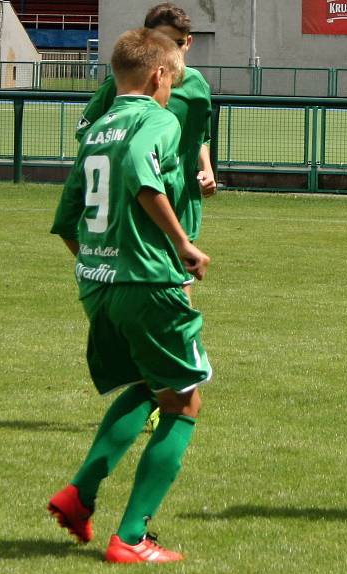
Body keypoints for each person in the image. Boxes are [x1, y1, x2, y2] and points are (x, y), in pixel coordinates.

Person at [48, 27, 212, 563]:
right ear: (160, 76)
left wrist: (101, 264)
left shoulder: (96, 129)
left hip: (98, 287)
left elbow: (68, 218)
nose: (171, 95)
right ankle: (132, 537)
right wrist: (184, 244)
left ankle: (78, 496)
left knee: (149, 383)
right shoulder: (156, 118)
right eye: (172, 84)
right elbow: (145, 175)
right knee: (185, 398)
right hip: (147, 284)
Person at [76, 2, 215, 430]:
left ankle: (166, 393)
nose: (160, 51)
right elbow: (92, 133)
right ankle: (169, 397)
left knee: (178, 297)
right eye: (153, 40)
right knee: (157, 301)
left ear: (186, 44)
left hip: (179, 207)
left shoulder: (196, 89)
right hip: (135, 211)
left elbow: (199, 138)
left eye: (170, 43)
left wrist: (205, 168)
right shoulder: (126, 86)